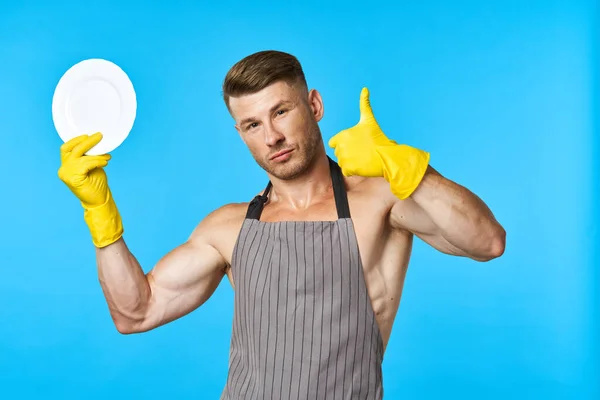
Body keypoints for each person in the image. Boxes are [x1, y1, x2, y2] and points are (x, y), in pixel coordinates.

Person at [57, 50, 506, 399]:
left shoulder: (377, 202)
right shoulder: (228, 228)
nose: (270, 136)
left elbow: (487, 241)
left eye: (280, 112)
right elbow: (136, 312)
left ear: (314, 105)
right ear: (240, 133)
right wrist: (101, 215)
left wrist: (407, 168)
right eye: (251, 124)